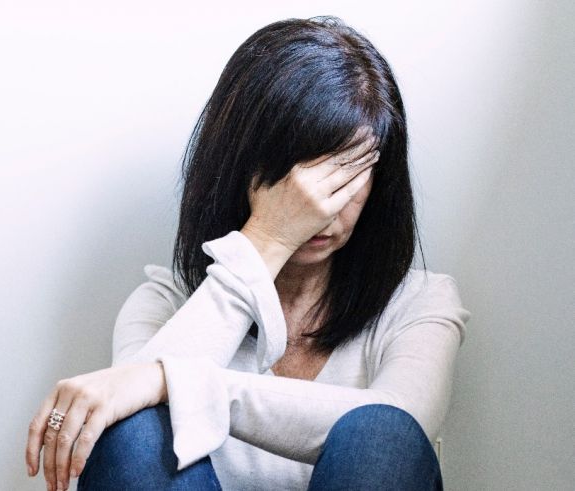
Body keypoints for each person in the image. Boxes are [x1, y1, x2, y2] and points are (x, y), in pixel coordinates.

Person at [25, 15, 471, 491]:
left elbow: (401, 424)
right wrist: (269, 240)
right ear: (237, 168)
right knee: (131, 429)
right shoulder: (165, 304)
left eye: (343, 175)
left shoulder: (419, 304)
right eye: (292, 179)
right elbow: (122, 405)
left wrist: (172, 382)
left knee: (380, 434)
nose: (317, 206)